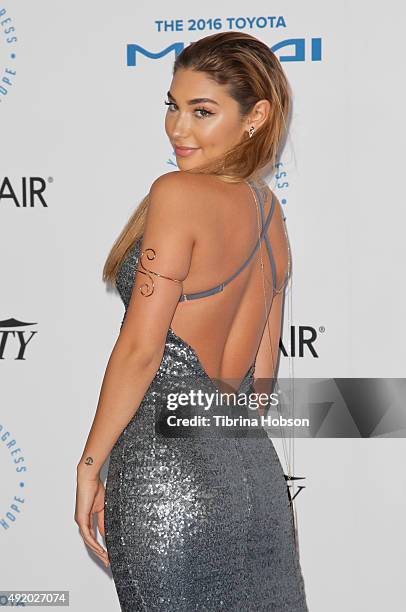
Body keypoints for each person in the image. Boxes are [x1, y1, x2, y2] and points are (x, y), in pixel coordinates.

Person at [75, 31, 309, 611]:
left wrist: (89, 465)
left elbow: (140, 350)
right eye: (173, 107)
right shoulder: (269, 214)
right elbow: (260, 378)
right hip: (253, 474)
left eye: (202, 111)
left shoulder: (177, 194)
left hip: (166, 469)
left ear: (256, 117)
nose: (178, 129)